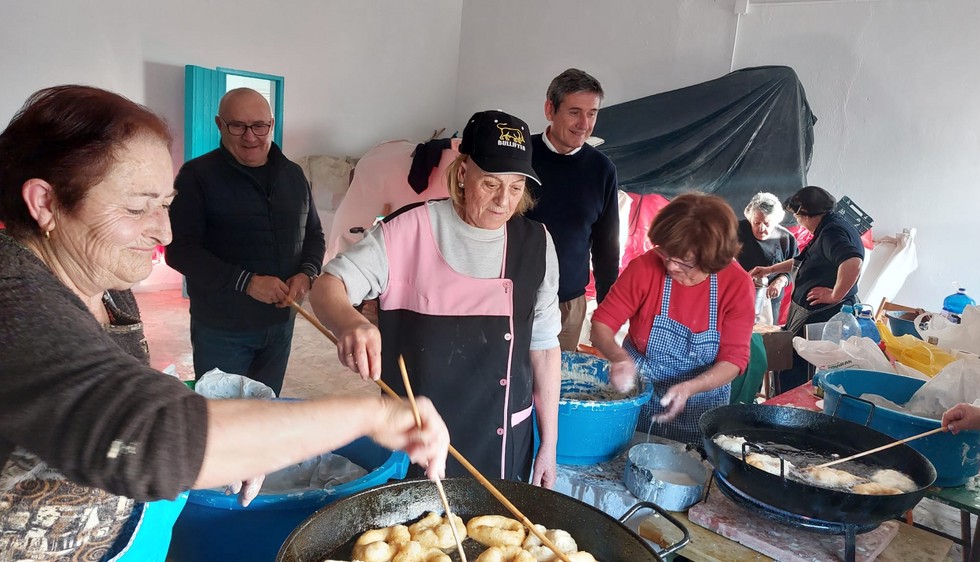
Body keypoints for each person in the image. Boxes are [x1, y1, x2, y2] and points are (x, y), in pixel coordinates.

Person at [0, 85, 449, 561]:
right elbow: (147, 437)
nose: (163, 231)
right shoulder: (15, 302)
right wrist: (371, 415)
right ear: (45, 203)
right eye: (136, 208)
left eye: (164, 205)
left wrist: (246, 438)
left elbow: (112, 394)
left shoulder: (106, 287)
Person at [311, 110, 562, 487]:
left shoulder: (537, 244)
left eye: (515, 187)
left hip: (505, 441)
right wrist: (351, 322)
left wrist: (550, 444)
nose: (502, 202)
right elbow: (327, 285)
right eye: (491, 183)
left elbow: (543, 349)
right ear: (463, 173)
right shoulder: (407, 231)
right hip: (415, 438)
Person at [165, 87, 325, 396]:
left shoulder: (293, 175)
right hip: (222, 328)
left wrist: (306, 274)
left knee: (264, 410)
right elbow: (179, 251)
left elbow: (315, 235)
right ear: (219, 125)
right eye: (237, 126)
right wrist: (247, 282)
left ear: (272, 124)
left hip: (280, 325)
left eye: (259, 126)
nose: (250, 136)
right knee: (223, 418)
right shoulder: (197, 176)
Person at [589, 193, 755, 444]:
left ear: (713, 261)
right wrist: (618, 358)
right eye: (666, 254)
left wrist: (690, 388)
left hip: (701, 401)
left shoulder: (737, 284)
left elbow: (734, 359)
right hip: (639, 392)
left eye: (684, 262)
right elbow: (601, 324)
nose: (671, 266)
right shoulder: (645, 267)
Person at [525, 68, 620, 352]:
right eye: (575, 112)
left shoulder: (602, 170)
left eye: (592, 113)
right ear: (549, 109)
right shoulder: (520, 157)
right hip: (514, 297)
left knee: (556, 387)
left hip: (568, 303)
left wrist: (608, 309)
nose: (584, 123)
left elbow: (606, 247)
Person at [750, 186, 864, 393]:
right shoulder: (829, 225)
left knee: (803, 371)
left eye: (796, 216)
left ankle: (793, 407)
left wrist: (835, 294)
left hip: (822, 317)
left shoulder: (832, 232)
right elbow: (803, 261)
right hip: (808, 313)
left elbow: (852, 261)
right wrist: (769, 270)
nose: (798, 222)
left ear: (806, 214)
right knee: (791, 365)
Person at [736, 192, 799, 324]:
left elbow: (795, 267)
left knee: (764, 336)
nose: (761, 228)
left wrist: (781, 281)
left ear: (776, 221)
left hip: (769, 299)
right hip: (737, 296)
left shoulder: (786, 239)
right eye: (756, 222)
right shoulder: (736, 231)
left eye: (767, 223)